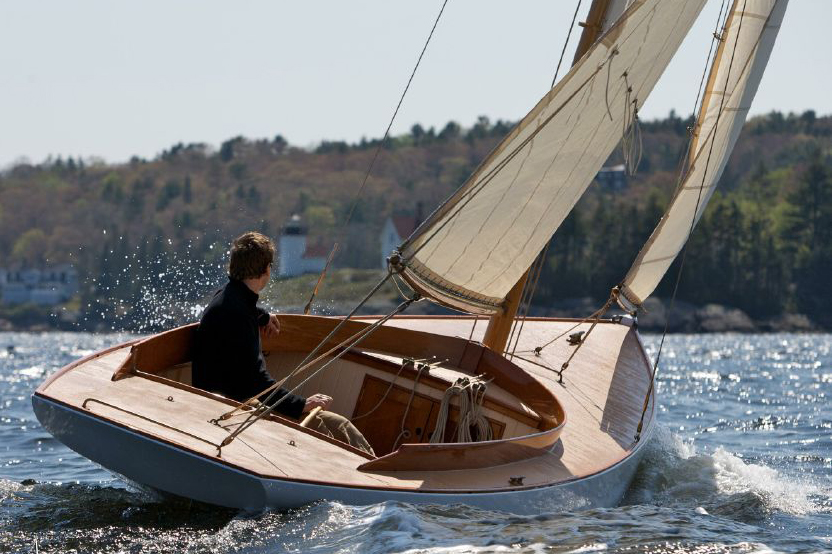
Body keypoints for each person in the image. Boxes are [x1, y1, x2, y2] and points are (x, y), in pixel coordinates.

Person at [192, 231, 374, 456]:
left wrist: (263, 316)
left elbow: (242, 309)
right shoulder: (235, 313)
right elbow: (257, 383)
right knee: (330, 428)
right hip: (230, 408)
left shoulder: (230, 299)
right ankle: (371, 477)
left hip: (230, 399)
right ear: (266, 270)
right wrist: (300, 404)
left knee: (338, 425)